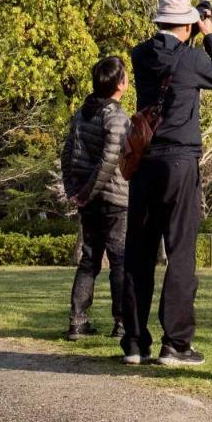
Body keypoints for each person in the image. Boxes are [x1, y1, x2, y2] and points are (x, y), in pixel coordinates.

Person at [122, 0, 212, 366]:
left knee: (139, 252)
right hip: (181, 160)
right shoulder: (192, 58)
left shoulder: (139, 55)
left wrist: (190, 28)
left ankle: (135, 342)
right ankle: (176, 343)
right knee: (180, 251)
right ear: (187, 24)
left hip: (145, 162)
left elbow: (168, 51)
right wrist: (210, 31)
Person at [61, 56, 131, 341]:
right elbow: (110, 161)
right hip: (114, 198)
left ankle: (78, 321)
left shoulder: (82, 112)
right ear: (119, 84)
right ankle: (122, 322)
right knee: (119, 260)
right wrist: (85, 191)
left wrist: (74, 191)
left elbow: (67, 153)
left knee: (89, 260)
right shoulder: (116, 117)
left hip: (87, 199)